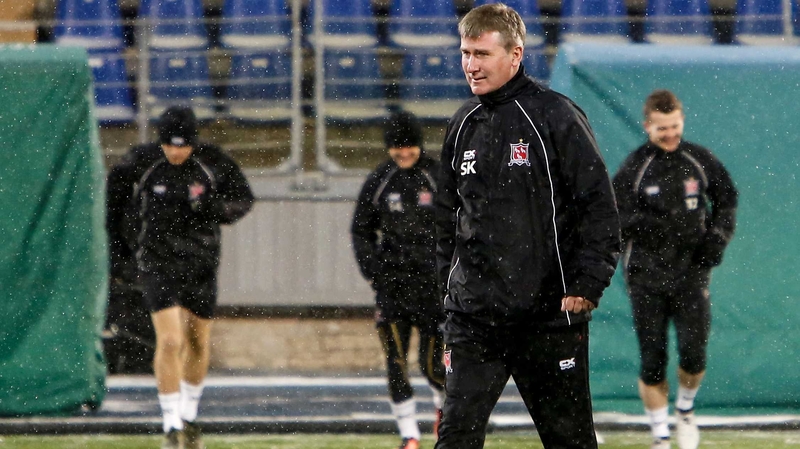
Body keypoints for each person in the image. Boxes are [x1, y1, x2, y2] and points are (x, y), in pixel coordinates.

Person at [434, 4, 621, 449]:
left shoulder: (555, 116)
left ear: (515, 55)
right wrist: (449, 290)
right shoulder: (462, 125)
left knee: (570, 441)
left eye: (481, 53)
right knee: (455, 437)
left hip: (546, 315)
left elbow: (599, 206)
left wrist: (588, 282)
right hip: (474, 320)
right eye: (465, 52)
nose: (470, 65)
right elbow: (445, 219)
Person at [107, 106, 254, 449]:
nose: (176, 152)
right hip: (157, 263)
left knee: (198, 341)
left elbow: (243, 199)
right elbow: (114, 203)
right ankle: (170, 422)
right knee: (171, 341)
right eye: (170, 145)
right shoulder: (141, 164)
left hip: (200, 263)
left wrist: (215, 209)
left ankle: (189, 415)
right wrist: (120, 254)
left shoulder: (212, 163)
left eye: (183, 146)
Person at [612, 89, 738, 449]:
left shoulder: (699, 160)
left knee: (694, 354)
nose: (670, 135)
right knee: (652, 360)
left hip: (691, 274)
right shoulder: (635, 167)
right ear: (647, 125)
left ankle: (684, 411)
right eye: (662, 128)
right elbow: (615, 215)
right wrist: (648, 225)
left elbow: (727, 199)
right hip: (646, 277)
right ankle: (661, 437)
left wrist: (718, 237)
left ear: (681, 121)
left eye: (675, 127)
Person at [351, 110, 446, 449]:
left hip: (434, 291)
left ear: (419, 145)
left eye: (409, 146)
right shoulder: (380, 180)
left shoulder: (438, 177)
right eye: (396, 147)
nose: (403, 153)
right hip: (392, 290)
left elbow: (460, 225)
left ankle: (442, 414)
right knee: (396, 362)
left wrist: (448, 271)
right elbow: (361, 230)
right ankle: (409, 435)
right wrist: (374, 271)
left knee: (434, 364)